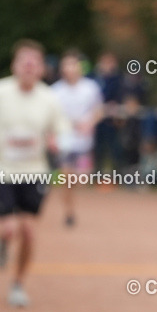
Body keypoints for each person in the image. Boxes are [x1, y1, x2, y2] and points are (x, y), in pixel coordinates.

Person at [0, 39, 66, 308]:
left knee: (29, 232)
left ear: (42, 69)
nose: (29, 67)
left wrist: (57, 142)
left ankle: (18, 285)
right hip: (2, 169)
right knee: (9, 228)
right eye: (25, 62)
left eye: (35, 63)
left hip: (35, 172)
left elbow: (61, 131)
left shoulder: (49, 98)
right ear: (15, 65)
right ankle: (1, 242)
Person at [50, 49, 103, 227]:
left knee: (81, 179)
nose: (70, 68)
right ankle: (69, 212)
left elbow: (99, 110)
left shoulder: (90, 88)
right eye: (67, 64)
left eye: (74, 64)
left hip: (84, 142)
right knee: (66, 178)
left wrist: (89, 123)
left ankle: (74, 204)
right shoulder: (55, 91)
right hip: (65, 141)